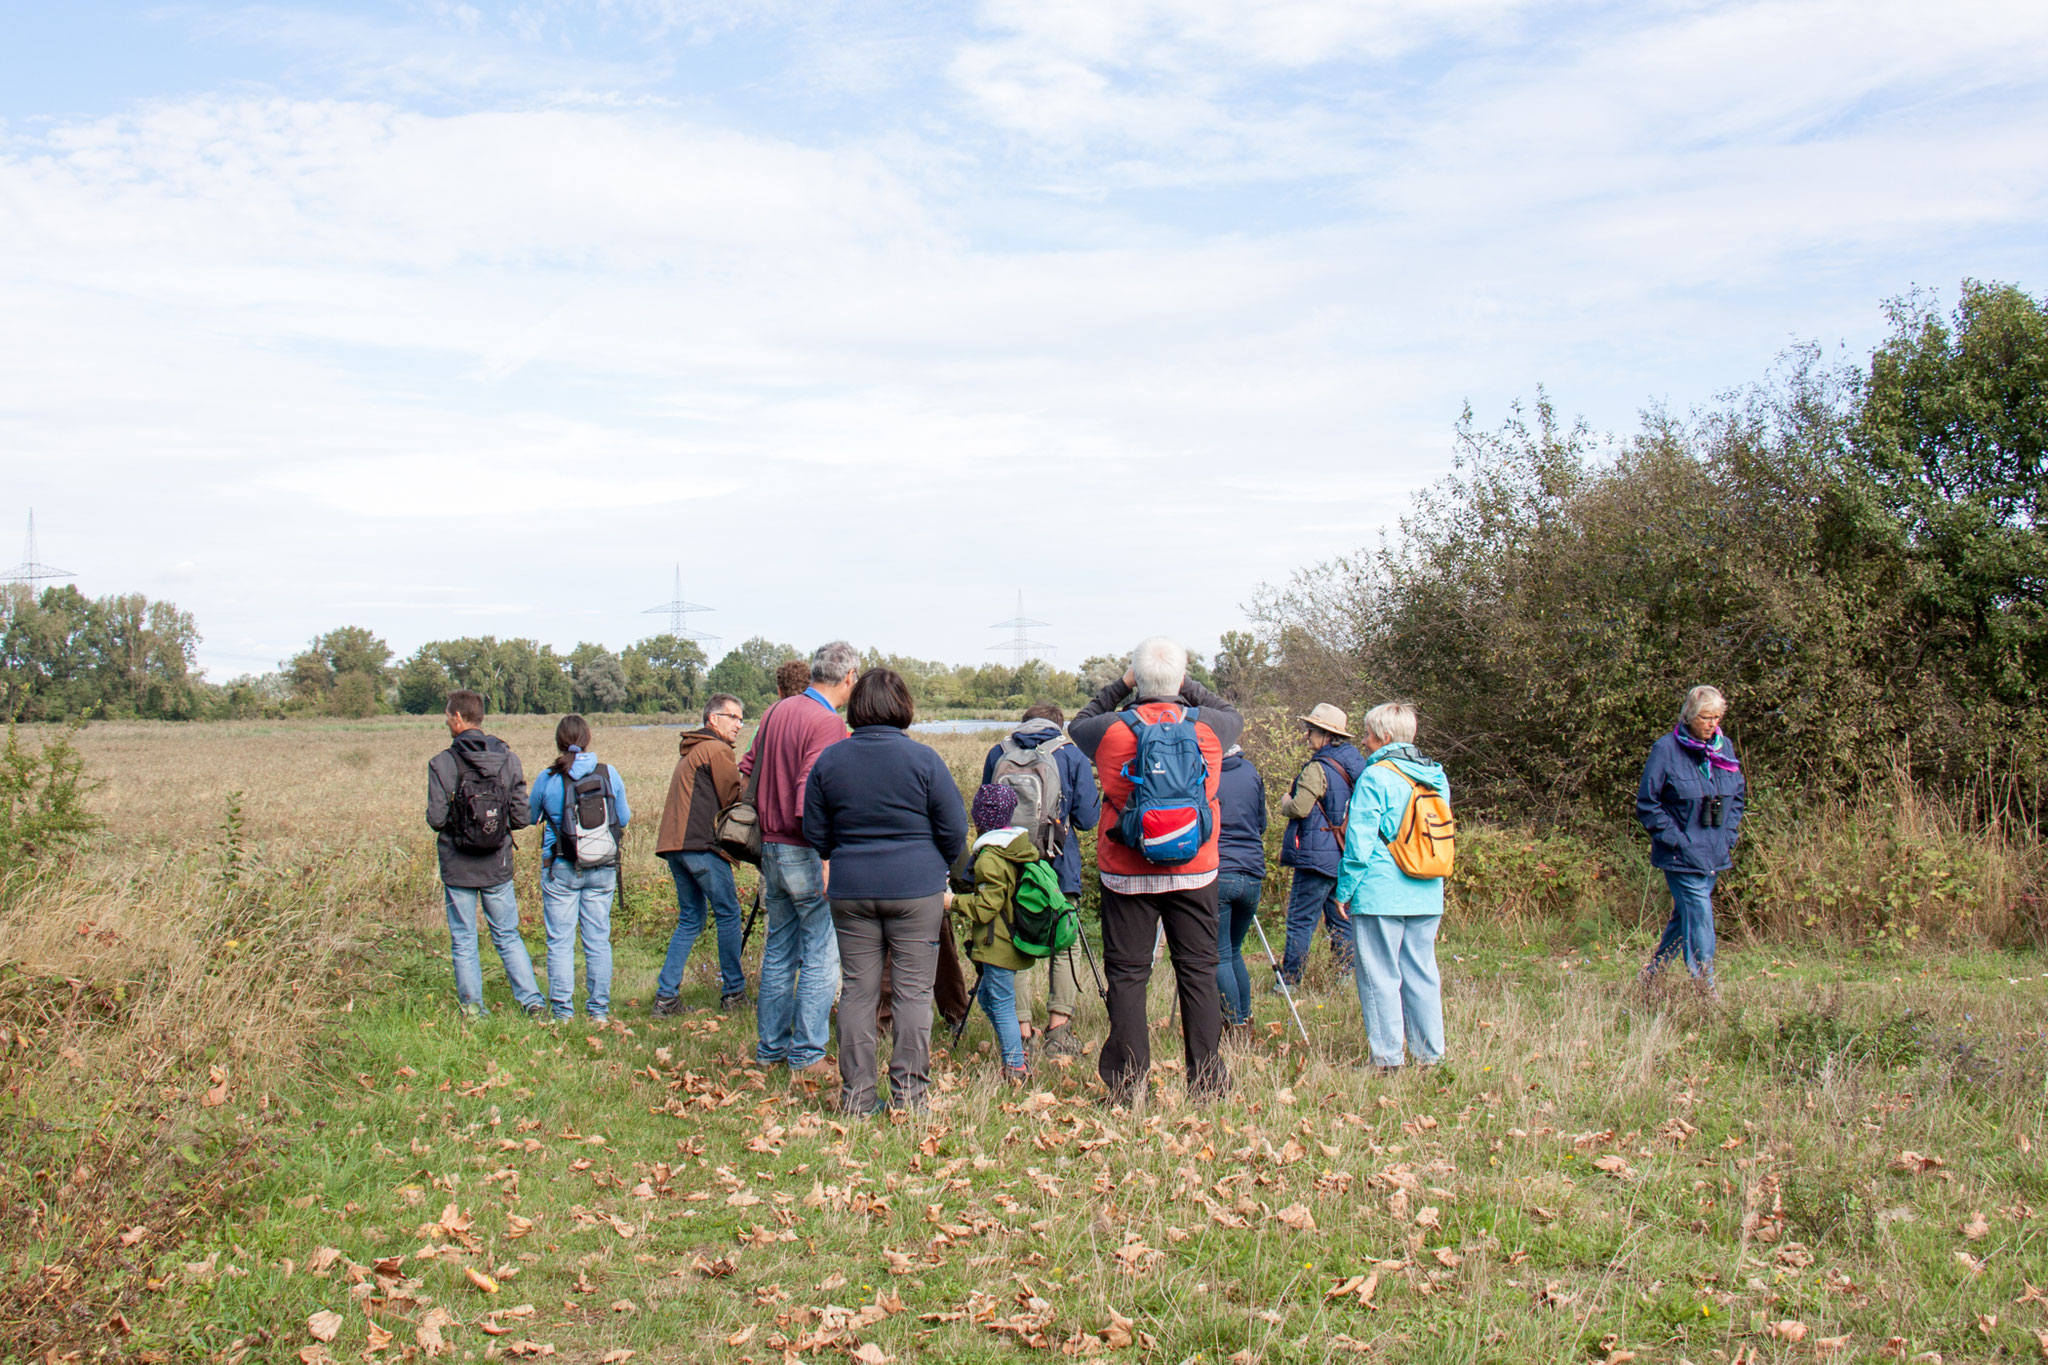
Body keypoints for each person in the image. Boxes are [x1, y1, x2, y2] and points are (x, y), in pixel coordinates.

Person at [1069, 637, 1242, 1105]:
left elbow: (1076, 722)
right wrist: (1187, 685)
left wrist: (1122, 684)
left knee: (1128, 975)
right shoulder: (1211, 729)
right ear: (1182, 679)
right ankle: (1207, 1082)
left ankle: (1129, 1088)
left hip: (1127, 871)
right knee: (1199, 973)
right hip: (1195, 868)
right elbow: (1232, 711)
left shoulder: (1108, 730)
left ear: (1137, 680)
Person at [802, 668, 967, 1114]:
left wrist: (848, 851)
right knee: (913, 993)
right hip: (916, 891)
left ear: (856, 708)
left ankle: (856, 1097)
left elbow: (815, 831)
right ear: (903, 707)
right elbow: (954, 830)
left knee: (858, 991)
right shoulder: (924, 760)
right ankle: (911, 1097)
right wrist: (941, 865)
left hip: (852, 889)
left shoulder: (831, 761)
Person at [741, 641, 856, 1091]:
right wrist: (826, 855)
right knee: (821, 952)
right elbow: (810, 794)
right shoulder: (826, 721)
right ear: (847, 678)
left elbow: (746, 766)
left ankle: (770, 1048)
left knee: (779, 949)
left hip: (768, 846)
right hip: (803, 847)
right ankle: (807, 1054)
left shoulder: (776, 711)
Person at [1332, 703, 1449, 1070]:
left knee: (1379, 974)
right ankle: (1429, 1055)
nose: (1364, 742)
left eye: (1367, 734)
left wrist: (1345, 889)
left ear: (1384, 737)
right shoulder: (1436, 776)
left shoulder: (1376, 775)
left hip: (1381, 890)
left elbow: (1360, 841)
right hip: (1428, 888)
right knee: (1422, 973)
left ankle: (1386, 1059)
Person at [980, 702, 1101, 1056]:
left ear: (1024, 724)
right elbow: (1088, 818)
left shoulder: (998, 752)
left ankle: (1021, 1029)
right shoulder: (1071, 755)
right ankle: (1058, 1030)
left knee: (1013, 942)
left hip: (1010, 863)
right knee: (1064, 942)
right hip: (1059, 866)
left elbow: (987, 809)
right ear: (1058, 726)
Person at [425, 689, 545, 1019]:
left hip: (457, 865)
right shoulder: (508, 759)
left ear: (459, 718)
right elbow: (522, 817)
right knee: (507, 934)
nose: (447, 721)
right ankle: (532, 1002)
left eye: (448, 715)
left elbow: (436, 819)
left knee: (464, 938)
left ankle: (473, 1010)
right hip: (497, 863)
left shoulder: (441, 763)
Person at [1636, 685, 1745, 989]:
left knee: (1685, 916)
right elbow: (1648, 803)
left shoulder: (1725, 747)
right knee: (1699, 913)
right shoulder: (1665, 750)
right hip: (1680, 854)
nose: (1712, 724)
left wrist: (1729, 835)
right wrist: (1678, 840)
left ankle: (1652, 975)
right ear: (1690, 716)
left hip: (1714, 850)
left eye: (1717, 717)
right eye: (1706, 718)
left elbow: (1736, 795)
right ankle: (1705, 987)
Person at [529, 714, 631, 1021]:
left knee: (560, 941)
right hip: (602, 867)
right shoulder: (608, 773)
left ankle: (563, 1012)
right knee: (598, 939)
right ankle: (598, 1011)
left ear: (559, 741)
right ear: (587, 738)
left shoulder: (549, 777)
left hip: (561, 865)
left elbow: (529, 815)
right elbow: (622, 819)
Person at [652, 693, 748, 1016]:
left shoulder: (692, 750)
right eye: (733, 717)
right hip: (701, 847)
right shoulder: (716, 750)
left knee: (692, 918)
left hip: (675, 847)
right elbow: (734, 799)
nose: (739, 724)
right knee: (729, 913)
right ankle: (733, 992)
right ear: (713, 719)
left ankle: (666, 997)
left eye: (741, 719)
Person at [950, 784, 1042, 1084]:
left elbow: (986, 907)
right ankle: (1014, 1046)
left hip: (997, 943)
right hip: (1009, 939)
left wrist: (952, 902)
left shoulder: (990, 857)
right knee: (989, 997)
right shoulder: (1017, 848)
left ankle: (1015, 1066)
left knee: (1000, 1001)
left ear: (978, 819)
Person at [1276, 704, 1366, 988]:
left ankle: (1289, 981)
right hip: (1343, 852)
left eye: (1311, 730)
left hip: (1316, 855)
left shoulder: (1319, 767)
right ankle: (1345, 977)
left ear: (1327, 735)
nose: (1307, 735)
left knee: (1300, 920)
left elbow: (1301, 809)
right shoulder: (1357, 764)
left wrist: (1284, 804)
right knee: (1340, 919)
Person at [1213, 743, 1268, 1034]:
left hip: (1220, 870)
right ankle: (1245, 1021)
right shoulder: (1251, 772)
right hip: (1252, 872)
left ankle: (1233, 1024)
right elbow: (1262, 824)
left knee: (1219, 953)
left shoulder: (1207, 772)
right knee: (1234, 951)